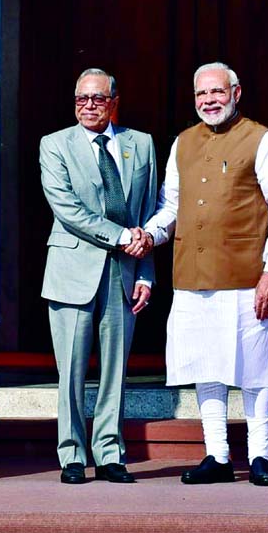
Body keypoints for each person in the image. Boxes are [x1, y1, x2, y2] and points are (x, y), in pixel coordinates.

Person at [145, 62, 268, 486]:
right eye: (201, 95)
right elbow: (171, 209)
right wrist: (149, 235)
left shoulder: (261, 139)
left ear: (237, 92)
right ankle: (217, 455)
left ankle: (259, 456)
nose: (209, 101)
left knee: (255, 370)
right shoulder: (182, 143)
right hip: (193, 276)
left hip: (246, 278)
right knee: (206, 368)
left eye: (217, 92)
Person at [40, 68, 157, 484]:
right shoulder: (55, 145)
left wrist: (146, 271)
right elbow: (67, 209)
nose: (88, 106)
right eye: (81, 99)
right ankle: (71, 455)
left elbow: (146, 214)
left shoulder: (140, 144)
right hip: (73, 271)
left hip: (123, 274)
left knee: (115, 371)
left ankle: (110, 454)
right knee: (70, 371)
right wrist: (122, 236)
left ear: (114, 102)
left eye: (97, 99)